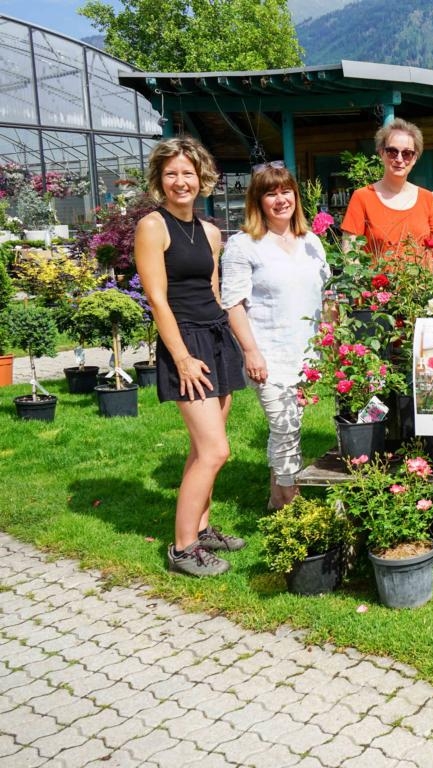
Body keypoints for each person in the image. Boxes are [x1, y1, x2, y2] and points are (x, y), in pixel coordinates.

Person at [135, 136, 247, 578]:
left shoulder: (211, 231)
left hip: (216, 338)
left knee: (204, 448)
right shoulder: (153, 227)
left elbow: (213, 290)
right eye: (171, 174)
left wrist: (232, 340)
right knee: (216, 450)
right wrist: (181, 358)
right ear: (159, 180)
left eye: (188, 173)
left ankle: (200, 529)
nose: (180, 181)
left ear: (202, 178)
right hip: (186, 344)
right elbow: (157, 300)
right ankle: (182, 549)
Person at [222, 162, 329, 512]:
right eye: (271, 193)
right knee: (284, 426)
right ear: (258, 201)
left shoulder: (311, 242)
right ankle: (290, 503)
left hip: (307, 354)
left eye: (286, 191)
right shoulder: (244, 245)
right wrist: (251, 352)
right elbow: (233, 304)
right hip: (268, 354)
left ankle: (276, 498)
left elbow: (325, 295)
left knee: (289, 425)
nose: (281, 200)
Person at [340, 118, 433, 269]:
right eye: (392, 152)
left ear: (414, 158)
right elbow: (350, 252)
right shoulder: (362, 197)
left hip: (422, 284)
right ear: (381, 153)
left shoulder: (427, 199)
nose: (399, 159)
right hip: (375, 284)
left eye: (407, 153)